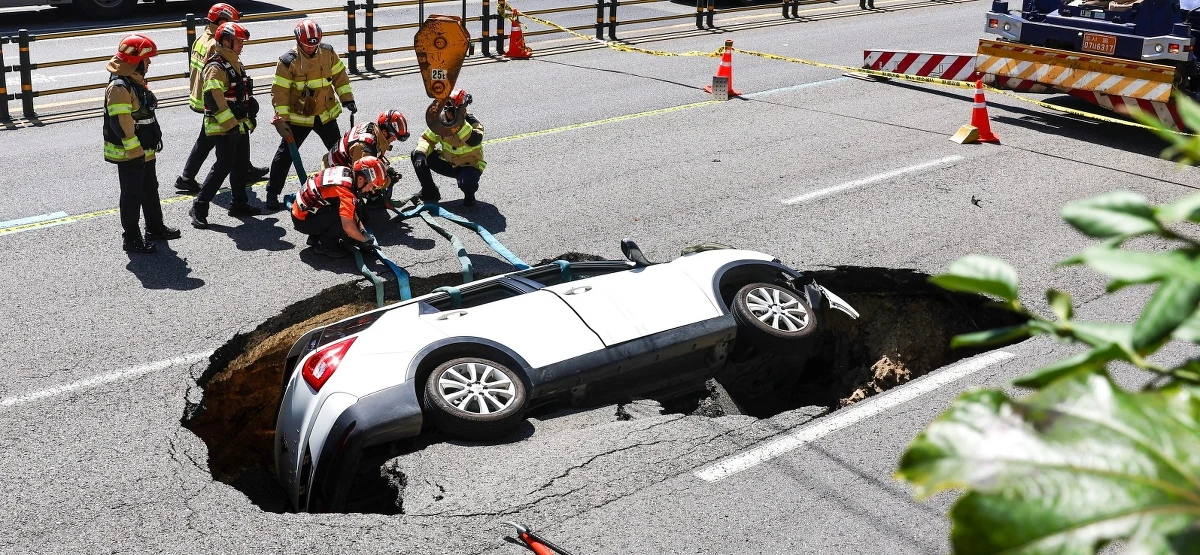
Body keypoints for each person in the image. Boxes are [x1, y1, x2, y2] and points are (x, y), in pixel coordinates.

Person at [175, 3, 268, 194]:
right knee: (214, 142)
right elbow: (218, 79)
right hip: (214, 101)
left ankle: (242, 167)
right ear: (222, 22)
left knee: (209, 140)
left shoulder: (201, 38)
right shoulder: (214, 45)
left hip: (199, 96)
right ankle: (189, 180)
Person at [266, 19, 356, 210]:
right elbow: (279, 94)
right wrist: (283, 121)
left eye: (314, 45)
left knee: (339, 154)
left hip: (324, 114)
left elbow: (340, 77)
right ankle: (272, 192)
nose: (311, 48)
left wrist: (347, 98)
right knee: (285, 155)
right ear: (298, 41)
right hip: (300, 118)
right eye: (307, 45)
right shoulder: (287, 61)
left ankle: (347, 187)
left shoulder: (328, 52)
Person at [104, 34, 181, 254]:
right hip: (131, 152)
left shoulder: (133, 81)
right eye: (146, 59)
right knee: (132, 195)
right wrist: (135, 150)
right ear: (134, 61)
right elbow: (121, 122)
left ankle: (155, 228)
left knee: (149, 189)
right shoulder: (119, 87)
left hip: (143, 149)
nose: (149, 63)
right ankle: (131, 239)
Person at [189, 21, 262, 229]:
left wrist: (249, 108)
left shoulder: (234, 61)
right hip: (223, 126)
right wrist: (230, 125)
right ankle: (199, 206)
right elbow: (213, 98)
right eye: (238, 41)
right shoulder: (216, 66)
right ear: (226, 41)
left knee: (240, 164)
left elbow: (237, 92)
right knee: (223, 166)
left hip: (238, 124)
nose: (242, 45)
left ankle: (239, 204)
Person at [290, 156, 388, 258]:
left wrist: (362, 231)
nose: (371, 190)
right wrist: (364, 240)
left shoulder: (345, 171)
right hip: (303, 220)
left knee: (353, 209)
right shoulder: (346, 193)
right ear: (360, 179)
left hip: (303, 213)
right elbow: (348, 226)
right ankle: (324, 245)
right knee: (342, 218)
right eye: (371, 185)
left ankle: (316, 237)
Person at [411, 88, 485, 207]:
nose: (448, 113)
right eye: (446, 109)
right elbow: (427, 139)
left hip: (469, 166)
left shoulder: (472, 122)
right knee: (416, 154)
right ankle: (430, 192)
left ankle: (469, 195)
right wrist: (421, 154)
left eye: (451, 110)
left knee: (468, 182)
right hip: (449, 163)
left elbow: (474, 140)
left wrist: (458, 124)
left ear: (461, 109)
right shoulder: (441, 122)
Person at [326, 109, 409, 206]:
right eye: (394, 137)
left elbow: (372, 159)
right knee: (360, 215)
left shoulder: (373, 129)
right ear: (385, 132)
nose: (394, 140)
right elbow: (365, 178)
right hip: (334, 176)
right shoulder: (364, 148)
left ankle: (373, 198)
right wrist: (388, 181)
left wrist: (385, 169)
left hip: (345, 162)